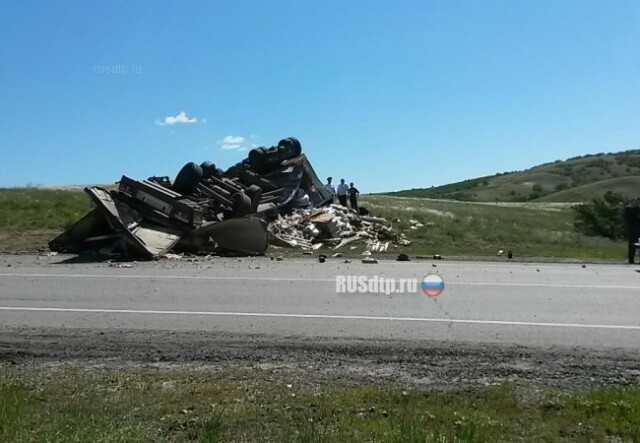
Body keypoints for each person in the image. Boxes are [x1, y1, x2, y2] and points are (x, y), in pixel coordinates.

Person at [624, 198, 640, 264]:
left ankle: (632, 259)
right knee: (632, 245)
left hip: (636, 229)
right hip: (633, 229)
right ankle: (631, 259)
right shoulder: (630, 209)